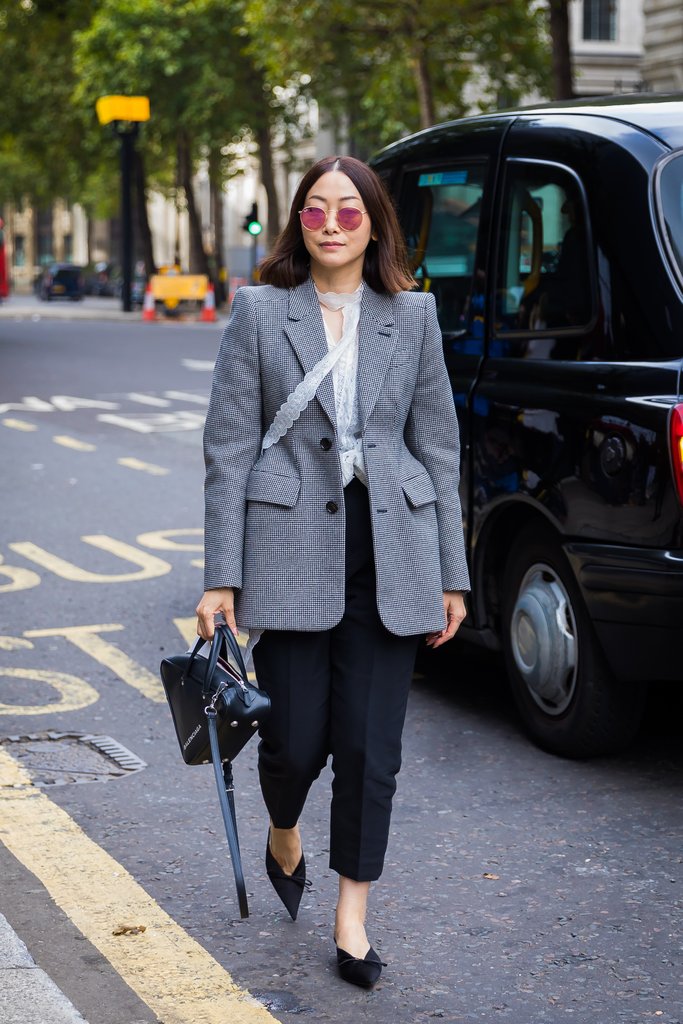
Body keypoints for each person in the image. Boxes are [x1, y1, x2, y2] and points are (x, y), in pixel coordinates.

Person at [196, 155, 469, 988]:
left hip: (393, 548)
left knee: (369, 748)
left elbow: (438, 448)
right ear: (297, 224)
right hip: (290, 548)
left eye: (349, 212)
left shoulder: (412, 316)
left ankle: (351, 918)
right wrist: (221, 576)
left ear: (375, 224)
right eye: (315, 212)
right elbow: (228, 446)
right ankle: (286, 827)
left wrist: (452, 575)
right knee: (292, 742)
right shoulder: (259, 311)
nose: (331, 225)